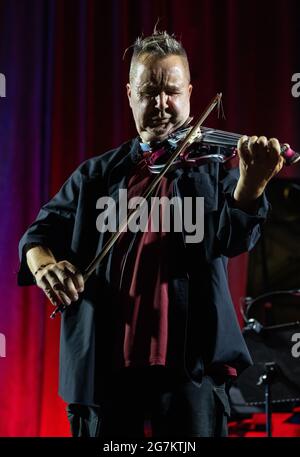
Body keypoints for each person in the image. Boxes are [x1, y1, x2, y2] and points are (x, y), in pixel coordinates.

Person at [18, 30, 284, 438]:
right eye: (148, 92)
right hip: (104, 375)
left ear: (191, 93)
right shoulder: (96, 176)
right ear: (129, 94)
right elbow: (37, 236)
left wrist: (251, 186)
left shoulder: (212, 170)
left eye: (172, 92)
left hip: (189, 375)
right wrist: (46, 267)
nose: (161, 104)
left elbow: (234, 239)